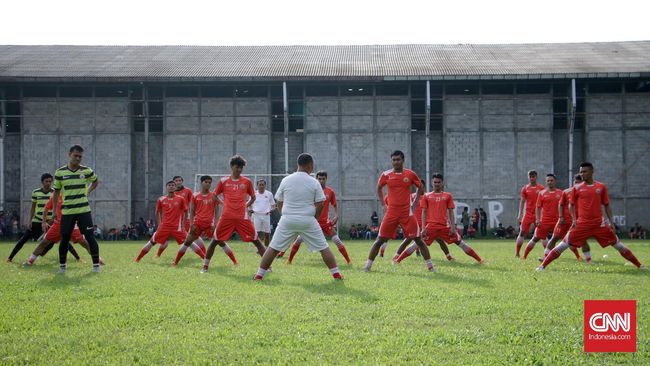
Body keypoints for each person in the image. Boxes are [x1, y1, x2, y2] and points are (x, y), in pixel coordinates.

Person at [537, 162, 644, 271]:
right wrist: (574, 219)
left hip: (599, 224)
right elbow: (571, 205)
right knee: (563, 245)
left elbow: (607, 205)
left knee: (618, 245)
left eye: (585, 171)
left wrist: (611, 223)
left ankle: (640, 266)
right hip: (582, 224)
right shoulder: (577, 188)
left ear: (592, 171)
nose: (582, 174)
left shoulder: (601, 187)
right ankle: (542, 266)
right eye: (581, 172)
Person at [253, 153, 343, 280]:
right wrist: (315, 218)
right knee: (324, 247)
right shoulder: (314, 182)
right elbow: (320, 203)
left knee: (273, 248)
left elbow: (278, 200)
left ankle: (259, 275)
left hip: (287, 219)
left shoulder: (286, 180)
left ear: (298, 164)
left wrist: (283, 214)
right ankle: (337, 275)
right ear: (310, 165)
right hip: (308, 219)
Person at [363, 150, 435, 272]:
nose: (396, 162)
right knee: (380, 240)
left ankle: (431, 268)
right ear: (391, 161)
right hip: (391, 212)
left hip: (407, 213)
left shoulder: (410, 174)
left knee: (418, 240)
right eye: (394, 160)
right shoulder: (386, 175)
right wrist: (383, 205)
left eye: (398, 159)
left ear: (403, 160)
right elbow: (379, 188)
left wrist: (415, 202)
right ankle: (367, 266)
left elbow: (420, 187)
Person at [395, 173, 483, 264]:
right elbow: (424, 212)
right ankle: (397, 260)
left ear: (442, 183)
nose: (436, 184)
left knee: (461, 243)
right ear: (432, 183)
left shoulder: (447, 196)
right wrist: (424, 228)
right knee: (415, 244)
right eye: (435, 182)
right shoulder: (427, 196)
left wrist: (453, 227)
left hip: (445, 227)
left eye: (438, 182)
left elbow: (451, 212)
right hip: (431, 227)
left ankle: (480, 260)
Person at [202, 155, 267, 273]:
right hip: (227, 216)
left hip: (243, 217)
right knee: (215, 240)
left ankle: (267, 267)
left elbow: (253, 197)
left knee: (256, 240)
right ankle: (205, 267)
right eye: (237, 167)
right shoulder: (223, 181)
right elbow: (214, 195)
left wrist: (245, 205)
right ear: (232, 167)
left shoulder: (247, 181)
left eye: (241, 168)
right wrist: (224, 204)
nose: (239, 170)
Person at [50, 145, 101, 273]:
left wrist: (88, 191)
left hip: (84, 210)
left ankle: (96, 267)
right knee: (65, 238)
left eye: (80, 156)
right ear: (69, 154)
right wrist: (54, 211)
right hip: (67, 212)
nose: (78, 158)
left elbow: (95, 181)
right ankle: (62, 267)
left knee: (90, 237)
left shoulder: (86, 170)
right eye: (75, 155)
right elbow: (56, 193)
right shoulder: (60, 172)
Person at [286, 170, 352, 265]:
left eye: (323, 179)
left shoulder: (330, 191)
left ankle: (348, 261)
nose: (321, 181)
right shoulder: (311, 190)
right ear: (316, 179)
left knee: (337, 240)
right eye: (319, 179)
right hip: (312, 221)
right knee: (299, 240)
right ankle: (289, 260)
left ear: (326, 179)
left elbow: (335, 204)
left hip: (325, 223)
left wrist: (337, 215)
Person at [23, 192, 106, 266]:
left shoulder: (73, 196)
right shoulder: (55, 196)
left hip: (72, 224)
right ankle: (30, 260)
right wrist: (44, 222)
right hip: (58, 225)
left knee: (84, 243)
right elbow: (46, 208)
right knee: (44, 242)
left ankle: (97, 259)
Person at [173, 176, 238, 266]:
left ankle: (235, 262)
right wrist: (191, 224)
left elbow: (217, 211)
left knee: (221, 242)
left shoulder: (213, 196)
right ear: (201, 183)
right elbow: (191, 211)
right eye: (206, 182)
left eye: (209, 182)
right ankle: (175, 262)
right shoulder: (195, 195)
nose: (208, 184)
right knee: (187, 242)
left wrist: (215, 224)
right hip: (197, 224)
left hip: (210, 225)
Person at [135, 180, 196, 262]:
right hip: (164, 227)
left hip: (177, 228)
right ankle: (137, 260)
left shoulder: (181, 199)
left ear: (175, 187)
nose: (171, 186)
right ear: (166, 187)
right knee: (152, 242)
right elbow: (157, 212)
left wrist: (183, 224)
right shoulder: (161, 199)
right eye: (169, 185)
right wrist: (160, 224)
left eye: (173, 185)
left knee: (190, 242)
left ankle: (205, 259)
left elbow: (186, 211)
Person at [539, 174, 588, 262]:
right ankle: (545, 257)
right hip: (564, 221)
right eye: (575, 182)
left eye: (579, 183)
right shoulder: (566, 192)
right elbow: (560, 205)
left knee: (582, 240)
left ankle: (588, 259)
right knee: (554, 238)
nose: (576, 184)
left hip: (577, 221)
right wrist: (561, 217)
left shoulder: (585, 193)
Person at [6, 173, 53, 262]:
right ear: (42, 182)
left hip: (50, 221)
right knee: (23, 239)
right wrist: (30, 221)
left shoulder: (55, 192)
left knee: (57, 239)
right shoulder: (36, 192)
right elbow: (33, 207)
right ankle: (10, 258)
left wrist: (53, 220)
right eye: (46, 181)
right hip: (37, 220)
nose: (48, 183)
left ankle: (77, 258)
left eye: (50, 181)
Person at [522, 174, 566, 260]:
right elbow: (538, 207)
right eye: (548, 181)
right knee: (535, 238)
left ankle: (579, 257)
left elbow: (564, 206)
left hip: (557, 221)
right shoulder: (542, 193)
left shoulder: (561, 193)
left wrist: (563, 217)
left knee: (566, 239)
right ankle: (524, 256)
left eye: (551, 180)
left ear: (555, 181)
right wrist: (538, 219)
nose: (549, 182)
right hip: (544, 221)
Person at [515, 170, 545, 257]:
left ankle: (546, 254)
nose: (532, 178)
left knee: (542, 234)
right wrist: (520, 214)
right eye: (530, 177)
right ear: (528, 177)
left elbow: (544, 203)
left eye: (533, 177)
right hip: (528, 214)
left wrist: (543, 214)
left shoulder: (541, 188)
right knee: (522, 232)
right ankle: (517, 252)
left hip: (538, 215)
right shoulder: (525, 188)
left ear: (536, 177)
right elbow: (522, 202)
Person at [251, 179, 276, 248]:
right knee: (257, 233)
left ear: (265, 185)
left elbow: (273, 205)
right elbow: (249, 204)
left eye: (263, 185)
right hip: (256, 216)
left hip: (266, 216)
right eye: (260, 185)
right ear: (257, 186)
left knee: (267, 234)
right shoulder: (254, 194)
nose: (261, 186)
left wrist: (270, 210)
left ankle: (266, 248)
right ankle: (258, 248)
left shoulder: (269, 194)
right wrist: (251, 210)